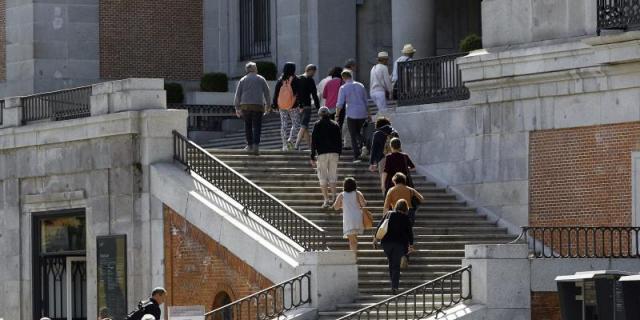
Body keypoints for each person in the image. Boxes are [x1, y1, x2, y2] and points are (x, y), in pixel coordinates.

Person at [373, 199, 414, 294]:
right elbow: (410, 234)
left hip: (386, 243)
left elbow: (379, 226)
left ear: (396, 206)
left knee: (392, 262)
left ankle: (393, 284)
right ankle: (394, 287)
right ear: (405, 208)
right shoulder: (406, 218)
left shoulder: (389, 214)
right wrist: (411, 245)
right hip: (399, 244)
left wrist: (375, 238)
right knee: (395, 265)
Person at [234, 61, 271, 155]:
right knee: (257, 126)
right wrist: (268, 105)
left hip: (245, 106)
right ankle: (256, 146)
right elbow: (267, 93)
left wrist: (237, 108)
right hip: (258, 106)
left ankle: (249, 145)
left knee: (248, 126)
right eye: (256, 67)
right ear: (254, 69)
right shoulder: (261, 79)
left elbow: (237, 95)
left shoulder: (243, 80)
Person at [311, 107, 342, 208]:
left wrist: (312, 155)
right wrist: (339, 153)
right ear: (329, 114)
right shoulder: (335, 124)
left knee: (322, 177)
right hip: (334, 153)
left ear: (320, 115)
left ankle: (326, 200)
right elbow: (339, 140)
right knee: (333, 176)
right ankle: (334, 198)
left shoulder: (317, 125)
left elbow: (313, 141)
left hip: (322, 154)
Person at [336, 69, 371, 163]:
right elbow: (366, 101)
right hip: (362, 112)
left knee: (353, 135)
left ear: (343, 77)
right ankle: (365, 145)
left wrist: (337, 115)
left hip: (351, 113)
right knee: (359, 133)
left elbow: (339, 104)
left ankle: (357, 155)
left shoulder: (343, 88)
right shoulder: (361, 85)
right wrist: (369, 114)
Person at [273, 62, 301, 151]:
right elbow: (299, 93)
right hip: (293, 105)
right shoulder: (296, 79)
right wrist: (301, 104)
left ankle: (284, 145)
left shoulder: (280, 80)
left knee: (284, 124)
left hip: (282, 106)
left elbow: (276, 93)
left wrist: (275, 105)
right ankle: (291, 140)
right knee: (295, 123)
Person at [333, 177, 367, 251]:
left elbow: (335, 207)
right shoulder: (358, 193)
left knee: (352, 241)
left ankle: (354, 256)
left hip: (348, 218)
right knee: (354, 238)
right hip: (358, 217)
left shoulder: (342, 195)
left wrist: (343, 204)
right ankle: (354, 254)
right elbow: (364, 204)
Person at [369, 117, 399, 195]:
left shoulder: (377, 133)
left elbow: (374, 149)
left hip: (383, 159)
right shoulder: (394, 132)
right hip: (394, 159)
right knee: (394, 179)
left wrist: (372, 163)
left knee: (384, 181)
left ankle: (386, 198)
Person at [294, 64, 321, 150]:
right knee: (304, 125)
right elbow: (314, 95)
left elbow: (295, 93)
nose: (314, 73)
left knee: (305, 127)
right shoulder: (310, 80)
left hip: (298, 106)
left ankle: (310, 146)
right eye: (314, 71)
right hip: (306, 106)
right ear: (310, 70)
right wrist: (318, 107)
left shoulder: (298, 78)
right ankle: (296, 145)